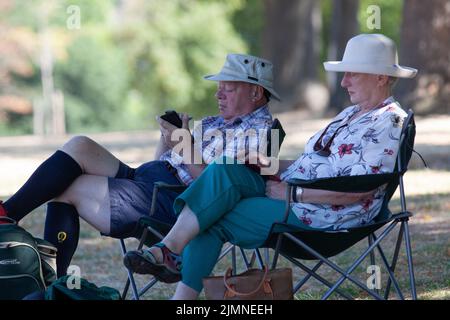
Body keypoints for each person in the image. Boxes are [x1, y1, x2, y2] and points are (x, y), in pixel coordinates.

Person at [123, 33, 418, 299]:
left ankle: (170, 263)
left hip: (321, 215)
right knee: (227, 166)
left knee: (213, 216)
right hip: (291, 190)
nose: (343, 82)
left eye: (352, 73)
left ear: (381, 77)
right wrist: (271, 163)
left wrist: (292, 194)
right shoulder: (351, 113)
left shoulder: (387, 123)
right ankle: (168, 251)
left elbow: (359, 192)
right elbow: (317, 162)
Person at [0, 53, 281, 278]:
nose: (218, 95)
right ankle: (7, 214)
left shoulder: (259, 132)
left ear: (256, 92)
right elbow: (164, 162)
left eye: (228, 89)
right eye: (218, 88)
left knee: (67, 188)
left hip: (174, 201)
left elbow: (214, 187)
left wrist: (184, 145)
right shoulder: (214, 122)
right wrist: (168, 138)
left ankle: (55, 280)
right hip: (151, 178)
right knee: (79, 144)